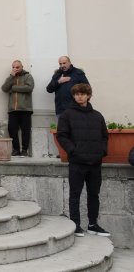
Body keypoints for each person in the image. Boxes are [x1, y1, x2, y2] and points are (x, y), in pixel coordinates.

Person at [56, 83, 110, 237]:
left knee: (94, 194)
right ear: (74, 96)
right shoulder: (67, 114)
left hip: (95, 163)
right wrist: (73, 151)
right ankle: (76, 224)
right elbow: (62, 136)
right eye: (76, 94)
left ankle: (93, 225)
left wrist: (102, 152)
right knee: (75, 194)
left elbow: (104, 137)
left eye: (82, 93)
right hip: (77, 162)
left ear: (88, 95)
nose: (79, 96)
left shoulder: (97, 115)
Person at [1, 60, 35, 157]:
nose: (15, 69)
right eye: (13, 67)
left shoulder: (28, 76)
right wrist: (11, 77)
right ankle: (16, 149)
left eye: (17, 67)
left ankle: (24, 150)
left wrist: (14, 88)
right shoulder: (10, 78)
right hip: (13, 109)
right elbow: (4, 88)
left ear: (22, 67)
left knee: (25, 130)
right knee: (11, 129)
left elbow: (29, 88)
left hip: (25, 109)